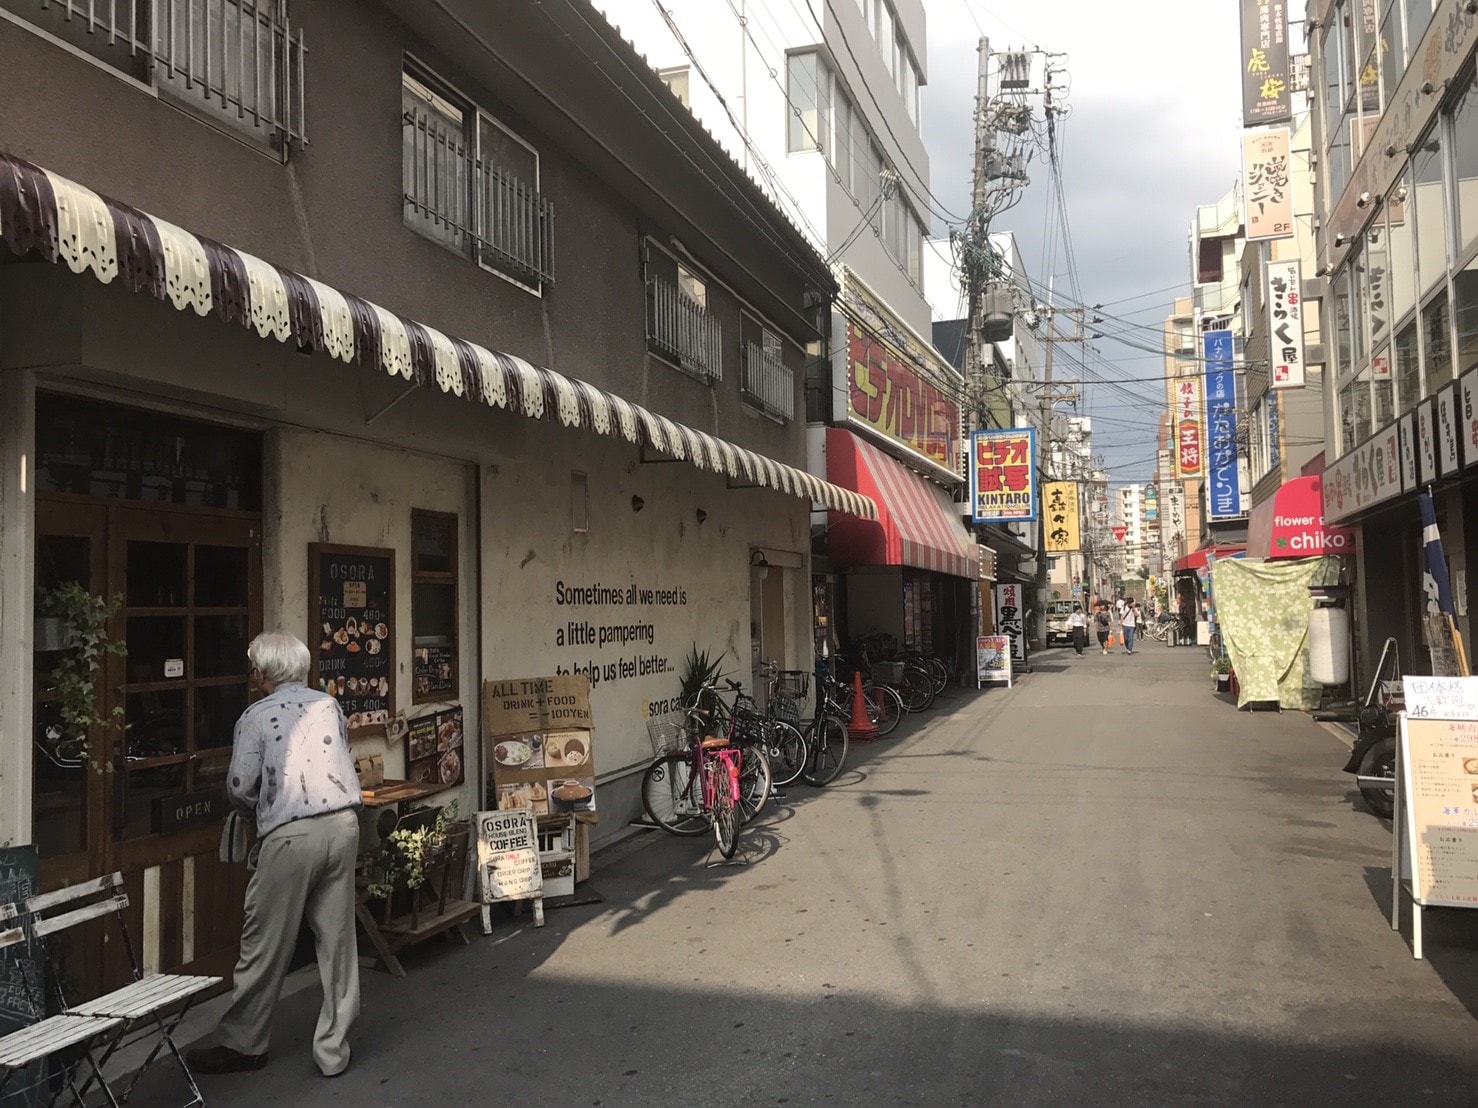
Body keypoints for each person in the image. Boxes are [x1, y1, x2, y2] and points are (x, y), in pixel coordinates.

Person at [187, 631, 362, 1078]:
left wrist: (255, 810)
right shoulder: (328, 704)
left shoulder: (255, 716)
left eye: (253, 667)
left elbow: (240, 786)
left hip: (290, 836)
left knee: (263, 942)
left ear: (262, 671)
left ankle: (245, 1043)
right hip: (343, 826)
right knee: (338, 942)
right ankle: (333, 1050)